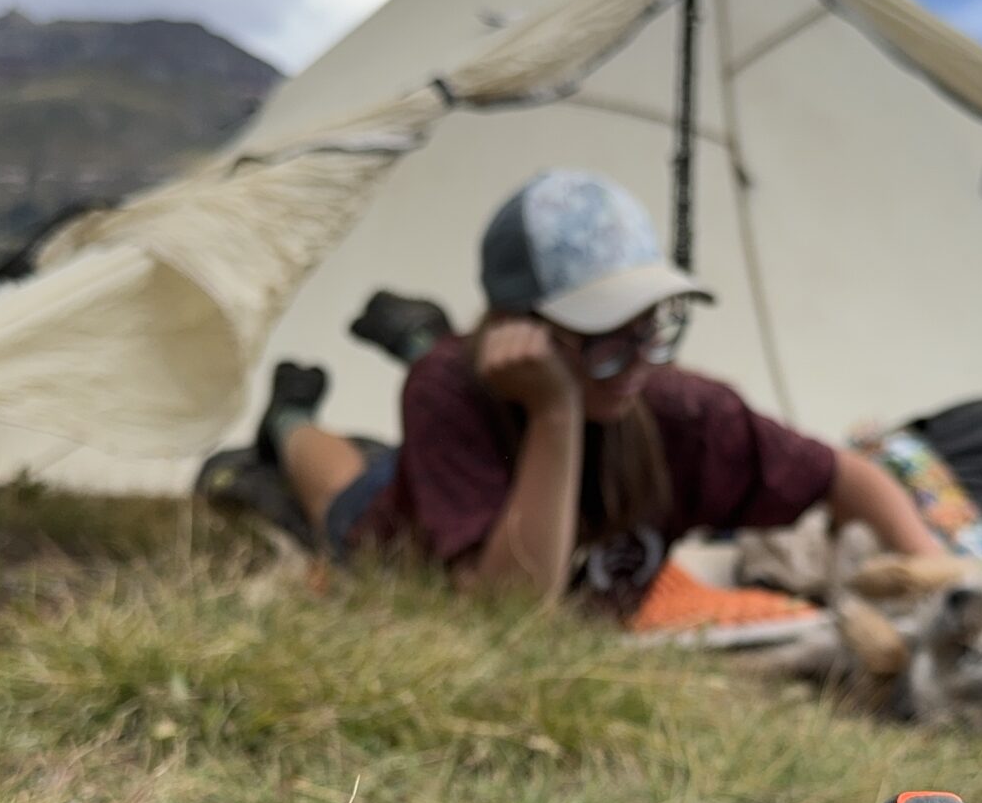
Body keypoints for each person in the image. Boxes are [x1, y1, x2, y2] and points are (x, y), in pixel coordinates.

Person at [253, 169, 939, 610]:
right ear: (519, 330)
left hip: (472, 415)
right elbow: (512, 613)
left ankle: (421, 333)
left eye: (654, 325)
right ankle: (287, 417)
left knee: (424, 393)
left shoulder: (685, 410)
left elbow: (854, 478)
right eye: (607, 334)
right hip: (394, 523)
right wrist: (554, 412)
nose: (641, 358)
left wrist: (947, 581)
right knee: (339, 488)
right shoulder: (447, 392)